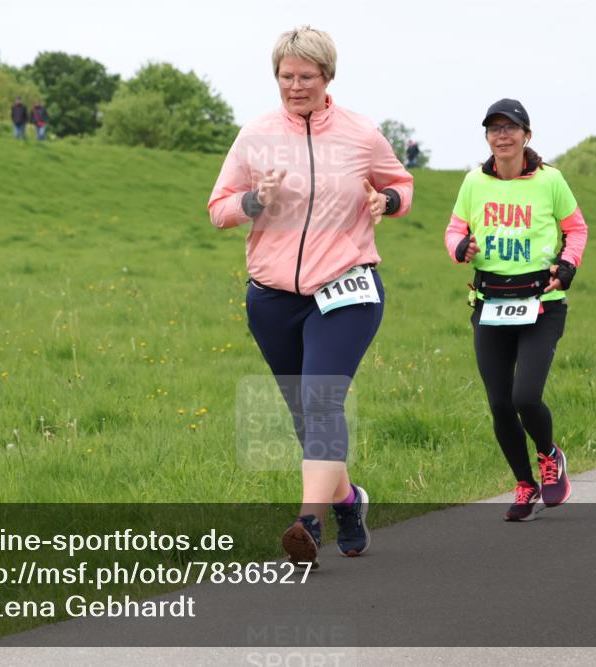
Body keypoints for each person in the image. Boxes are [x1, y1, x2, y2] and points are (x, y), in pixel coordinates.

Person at [208, 26, 413, 565]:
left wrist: (386, 201)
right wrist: (254, 200)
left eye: (306, 76)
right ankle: (348, 500)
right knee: (306, 417)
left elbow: (402, 183)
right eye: (286, 76)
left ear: (327, 77)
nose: (295, 86)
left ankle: (307, 524)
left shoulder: (360, 133)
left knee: (322, 402)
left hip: (345, 288)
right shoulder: (255, 135)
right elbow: (219, 208)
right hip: (273, 296)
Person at [444, 98, 588, 521]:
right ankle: (524, 484)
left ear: (527, 135)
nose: (501, 135)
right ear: (487, 137)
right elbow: (456, 227)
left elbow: (576, 228)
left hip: (541, 304)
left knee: (525, 395)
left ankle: (549, 455)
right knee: (500, 404)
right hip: (490, 304)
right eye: (494, 128)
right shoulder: (474, 181)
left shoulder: (550, 181)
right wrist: (459, 247)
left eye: (510, 128)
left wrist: (568, 266)